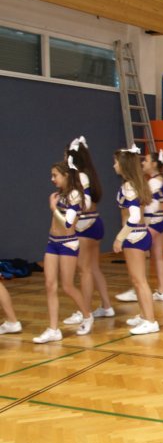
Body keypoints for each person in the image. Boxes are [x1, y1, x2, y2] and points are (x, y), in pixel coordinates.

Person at [33, 160, 94, 343]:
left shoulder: (75, 195)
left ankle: (87, 315)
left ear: (66, 175)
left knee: (67, 286)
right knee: (50, 285)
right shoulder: (60, 194)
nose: (52, 179)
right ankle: (53, 329)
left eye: (55, 175)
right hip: (52, 242)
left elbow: (68, 223)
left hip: (68, 243)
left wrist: (53, 208)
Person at [61, 136, 115, 329]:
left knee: (84, 270)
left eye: (65, 155)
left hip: (85, 226)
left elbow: (87, 202)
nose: (63, 158)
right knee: (93, 268)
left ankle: (85, 311)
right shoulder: (87, 174)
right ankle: (107, 306)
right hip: (94, 223)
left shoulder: (81, 176)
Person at [116, 148, 163, 304]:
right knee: (158, 256)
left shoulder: (153, 182)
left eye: (146, 160)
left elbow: (150, 206)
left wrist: (143, 223)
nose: (143, 163)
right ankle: (161, 290)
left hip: (155, 221)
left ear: (154, 164)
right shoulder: (161, 179)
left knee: (141, 253)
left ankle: (138, 289)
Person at [113, 147, 159, 335]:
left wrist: (120, 237)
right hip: (139, 234)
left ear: (124, 165)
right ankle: (143, 315)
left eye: (116, 162)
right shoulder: (135, 184)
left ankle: (150, 321)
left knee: (139, 281)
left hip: (134, 236)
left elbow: (133, 217)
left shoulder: (129, 187)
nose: (114, 166)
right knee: (137, 280)